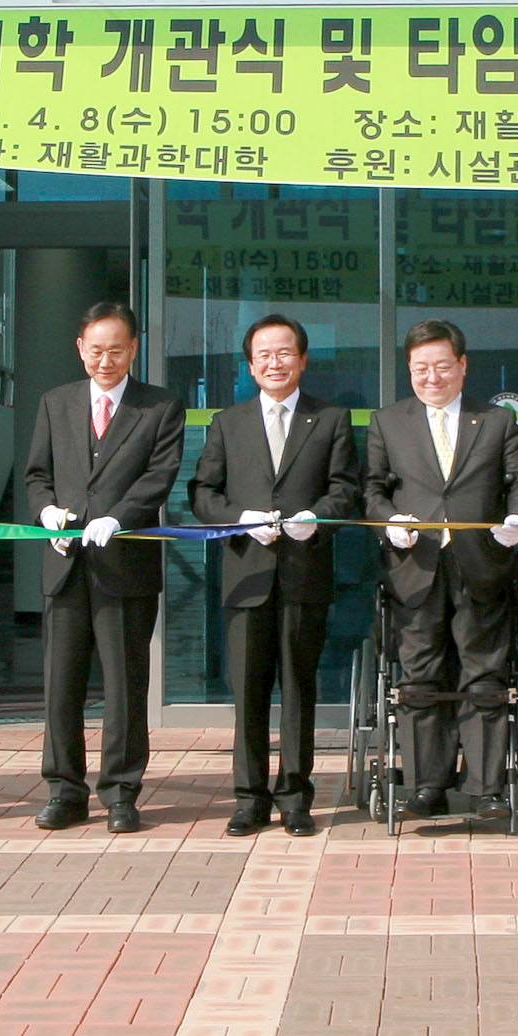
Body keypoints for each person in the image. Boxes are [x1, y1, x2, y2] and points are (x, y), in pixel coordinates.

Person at [189, 314, 359, 837]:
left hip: (305, 575)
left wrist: (317, 518)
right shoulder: (228, 422)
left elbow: (346, 489)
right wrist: (238, 519)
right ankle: (249, 798)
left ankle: (295, 797)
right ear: (250, 365)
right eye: (264, 355)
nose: (274, 363)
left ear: (302, 360)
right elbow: (203, 493)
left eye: (284, 353)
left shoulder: (329, 419)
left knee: (299, 690)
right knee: (248, 693)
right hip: (247, 575)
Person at [364, 318, 518, 821]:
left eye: (442, 366)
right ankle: (426, 787)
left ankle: (486, 790)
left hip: (480, 565)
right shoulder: (388, 422)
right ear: (409, 370)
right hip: (415, 567)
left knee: (484, 676)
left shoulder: (496, 421)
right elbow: (371, 489)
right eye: (420, 368)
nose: (432, 377)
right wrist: (388, 522)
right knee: (419, 678)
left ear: (462, 366)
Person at [25, 301, 185, 834]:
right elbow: (36, 476)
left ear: (133, 349)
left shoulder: (159, 406)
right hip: (65, 565)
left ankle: (120, 792)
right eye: (96, 351)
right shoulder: (56, 402)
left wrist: (118, 517)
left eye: (116, 350)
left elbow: (159, 476)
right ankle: (64, 791)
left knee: (124, 688)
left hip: (125, 566)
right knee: (61, 686)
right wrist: (46, 511)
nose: (105, 361)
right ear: (80, 349)